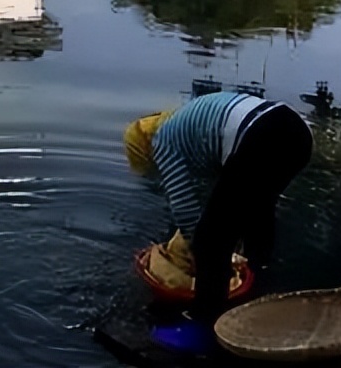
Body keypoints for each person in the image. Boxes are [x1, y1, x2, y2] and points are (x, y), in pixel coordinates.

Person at [124, 91, 314, 324]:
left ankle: (204, 322)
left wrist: (195, 252)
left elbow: (184, 210)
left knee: (210, 241)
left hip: (262, 135)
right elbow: (226, 194)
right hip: (297, 133)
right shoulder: (188, 127)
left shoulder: (163, 143)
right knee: (258, 212)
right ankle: (259, 278)